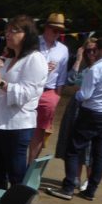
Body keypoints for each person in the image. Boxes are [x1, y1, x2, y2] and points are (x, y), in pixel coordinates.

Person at [47, 36, 102, 201]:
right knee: (99, 152)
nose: (93, 53)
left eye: (96, 50)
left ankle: (68, 188)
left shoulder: (97, 68)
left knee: (74, 149)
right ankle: (91, 190)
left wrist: (78, 95)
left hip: (91, 113)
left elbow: (85, 94)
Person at [0, 14, 47, 189]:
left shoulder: (35, 59)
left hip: (17, 125)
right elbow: (5, 89)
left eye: (14, 31)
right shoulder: (10, 59)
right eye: (7, 31)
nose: (8, 34)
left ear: (27, 34)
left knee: (16, 175)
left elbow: (26, 94)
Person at [55, 37, 97, 191]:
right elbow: (70, 81)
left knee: (90, 144)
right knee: (73, 140)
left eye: (94, 50)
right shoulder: (83, 67)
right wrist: (78, 60)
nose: (91, 53)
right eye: (88, 50)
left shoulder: (100, 67)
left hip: (91, 107)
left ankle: (89, 178)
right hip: (75, 106)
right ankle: (76, 177)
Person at [30, 13, 70, 162]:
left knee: (41, 131)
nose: (57, 34)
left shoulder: (63, 49)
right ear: (46, 28)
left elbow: (62, 74)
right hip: (30, 88)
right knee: (23, 126)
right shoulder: (33, 43)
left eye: (59, 31)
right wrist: (42, 68)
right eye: (54, 30)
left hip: (49, 92)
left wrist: (57, 96)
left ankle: (30, 166)